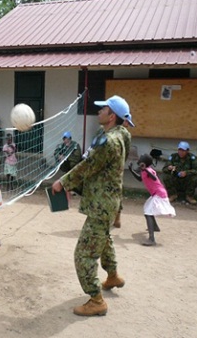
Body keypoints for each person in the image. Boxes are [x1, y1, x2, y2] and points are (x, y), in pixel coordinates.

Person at [51, 95, 135, 317]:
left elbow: (88, 165)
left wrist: (63, 182)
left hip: (101, 205)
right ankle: (113, 275)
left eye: (103, 109)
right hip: (109, 202)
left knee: (83, 255)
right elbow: (99, 162)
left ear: (112, 116)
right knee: (104, 239)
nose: (98, 112)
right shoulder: (121, 134)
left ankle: (96, 300)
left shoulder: (109, 141)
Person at [129, 154, 176, 246]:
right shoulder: (143, 171)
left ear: (145, 163)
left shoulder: (150, 170)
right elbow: (139, 179)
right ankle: (155, 227)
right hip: (156, 194)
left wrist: (145, 169)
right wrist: (131, 170)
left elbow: (154, 178)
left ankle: (151, 239)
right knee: (147, 208)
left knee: (148, 212)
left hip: (159, 194)